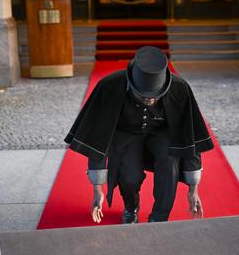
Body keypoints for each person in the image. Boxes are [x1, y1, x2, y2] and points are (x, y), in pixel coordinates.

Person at [65, 46, 214, 224]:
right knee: (130, 178)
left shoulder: (179, 89)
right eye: (144, 96)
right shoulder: (109, 87)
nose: (150, 99)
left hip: (161, 134)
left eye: (155, 96)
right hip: (125, 134)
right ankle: (131, 206)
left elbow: (189, 139)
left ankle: (159, 218)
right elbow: (98, 140)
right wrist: (98, 191)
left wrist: (193, 189)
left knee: (170, 160)